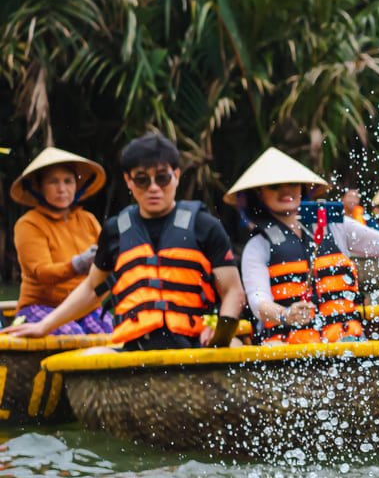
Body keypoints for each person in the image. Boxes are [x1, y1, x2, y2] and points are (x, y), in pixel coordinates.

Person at [2, 132, 244, 349]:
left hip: (191, 343)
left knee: (235, 344)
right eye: (142, 180)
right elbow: (92, 288)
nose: (153, 188)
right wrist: (44, 326)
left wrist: (220, 341)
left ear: (176, 176)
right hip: (135, 345)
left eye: (162, 178)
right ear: (129, 180)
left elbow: (232, 290)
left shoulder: (205, 225)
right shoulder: (115, 229)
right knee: (89, 351)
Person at [225, 148, 379, 345]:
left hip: (346, 342)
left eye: (292, 183)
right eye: (274, 186)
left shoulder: (337, 227)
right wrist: (286, 314)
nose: (286, 190)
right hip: (289, 348)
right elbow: (258, 302)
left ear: (303, 187)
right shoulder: (257, 246)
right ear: (259, 194)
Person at [8, 146, 111, 335]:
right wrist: (78, 264)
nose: (62, 189)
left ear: (76, 186)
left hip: (84, 306)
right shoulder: (29, 224)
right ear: (38, 187)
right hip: (40, 306)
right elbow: (42, 274)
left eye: (68, 181)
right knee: (72, 334)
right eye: (53, 182)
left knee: (115, 334)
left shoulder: (87, 220)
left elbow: (107, 264)